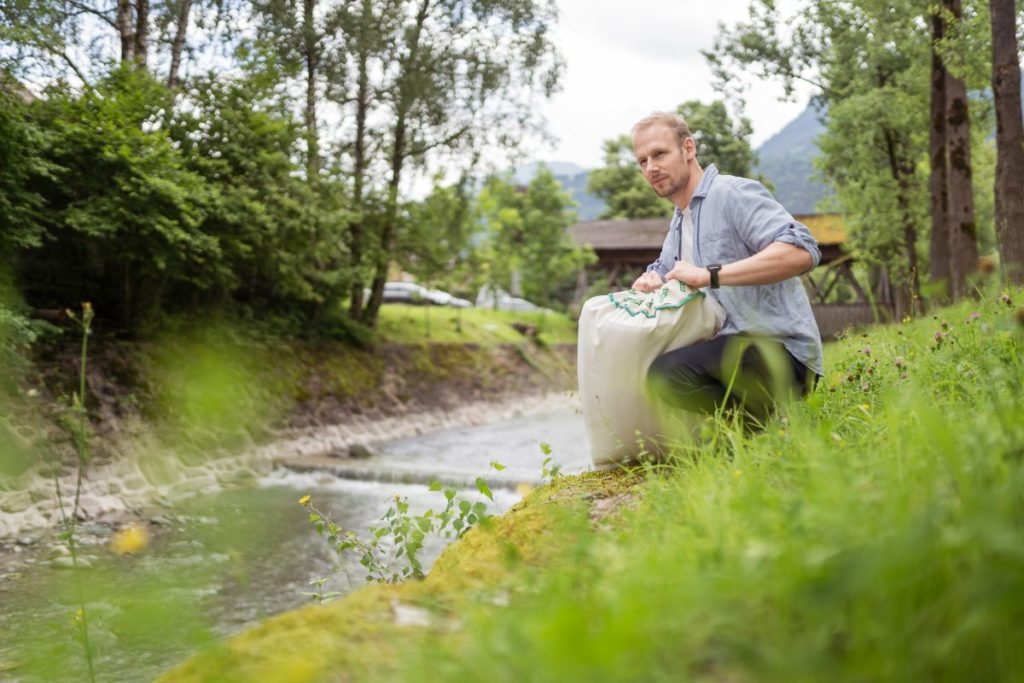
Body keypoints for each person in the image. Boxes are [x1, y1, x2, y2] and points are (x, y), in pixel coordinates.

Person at [630, 111, 823, 424]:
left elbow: (801, 251)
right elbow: (664, 270)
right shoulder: (680, 221)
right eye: (642, 161)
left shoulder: (732, 193)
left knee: (666, 375)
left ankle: (764, 426)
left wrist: (711, 275)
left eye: (659, 154)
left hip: (782, 352)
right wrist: (652, 280)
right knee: (654, 371)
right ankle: (759, 431)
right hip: (729, 349)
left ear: (688, 149)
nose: (651, 167)